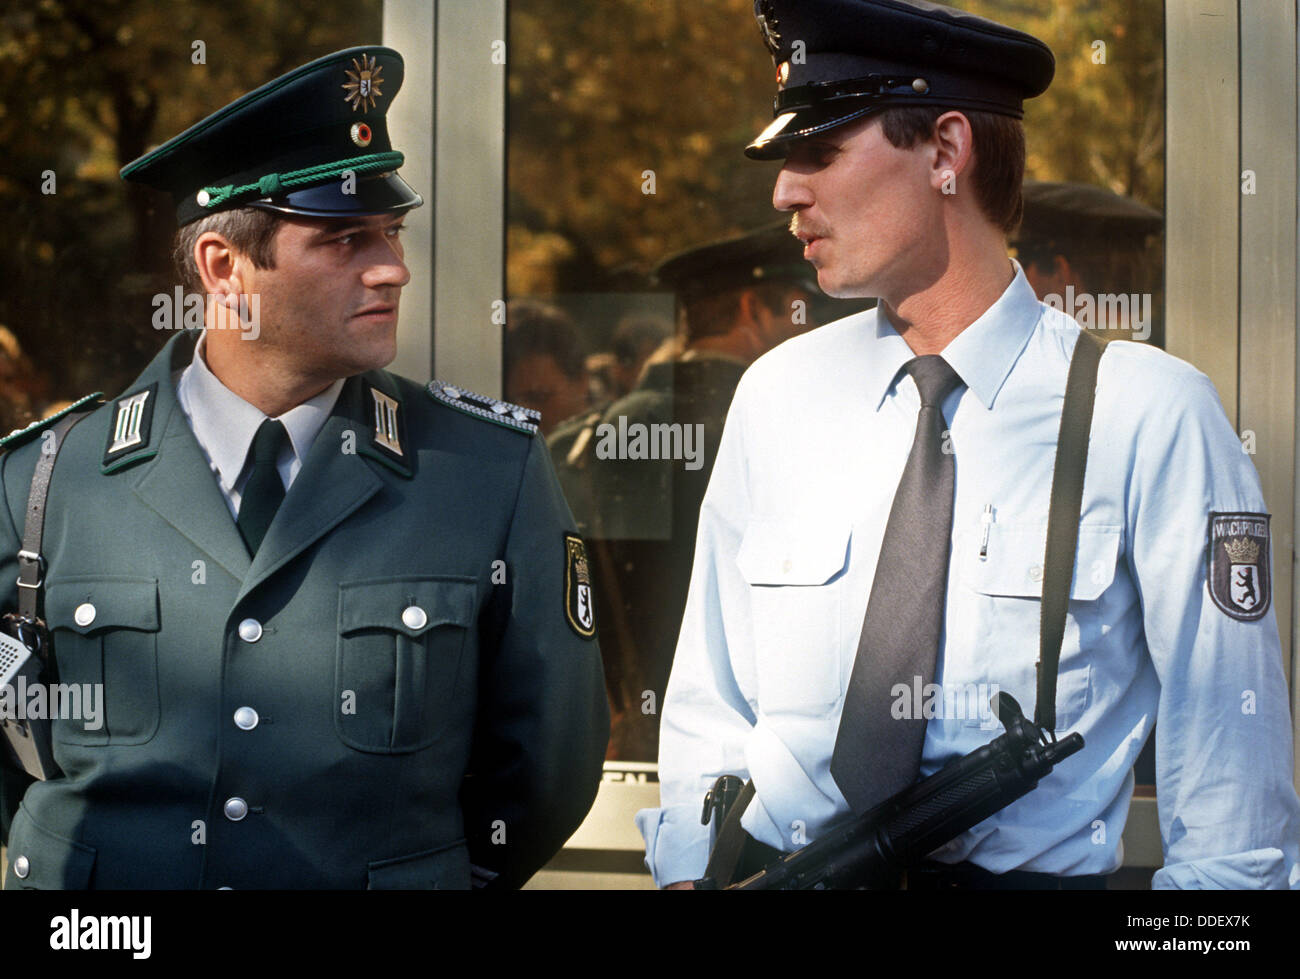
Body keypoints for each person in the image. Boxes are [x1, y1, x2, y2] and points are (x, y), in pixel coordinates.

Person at [639, 0, 1300, 889]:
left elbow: (1236, 834)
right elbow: (709, 706)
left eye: (819, 152)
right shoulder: (780, 398)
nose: (784, 191)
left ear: (946, 152)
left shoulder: (1148, 415)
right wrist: (688, 871)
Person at [0, 46, 608, 889]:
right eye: (343, 239)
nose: (392, 265)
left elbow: (547, 768)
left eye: (390, 231)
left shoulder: (482, 471)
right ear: (224, 269)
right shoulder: (47, 479)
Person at [1014, 180, 1164, 344]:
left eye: (1024, 264)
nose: (1018, 278)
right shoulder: (1148, 354)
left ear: (1059, 271)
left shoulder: (1078, 363)